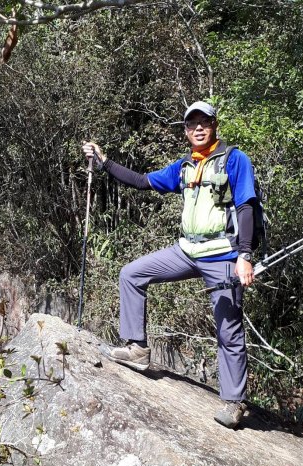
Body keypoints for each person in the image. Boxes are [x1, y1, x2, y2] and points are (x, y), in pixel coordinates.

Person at [82, 101, 256, 429]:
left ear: (215, 125)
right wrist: (104, 163)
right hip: (187, 250)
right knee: (132, 273)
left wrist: (244, 256)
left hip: (223, 254)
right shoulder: (184, 166)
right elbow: (143, 181)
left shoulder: (234, 159)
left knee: (228, 328)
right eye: (192, 124)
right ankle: (136, 349)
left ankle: (233, 402)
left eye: (205, 122)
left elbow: (246, 206)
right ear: (186, 130)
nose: (198, 128)